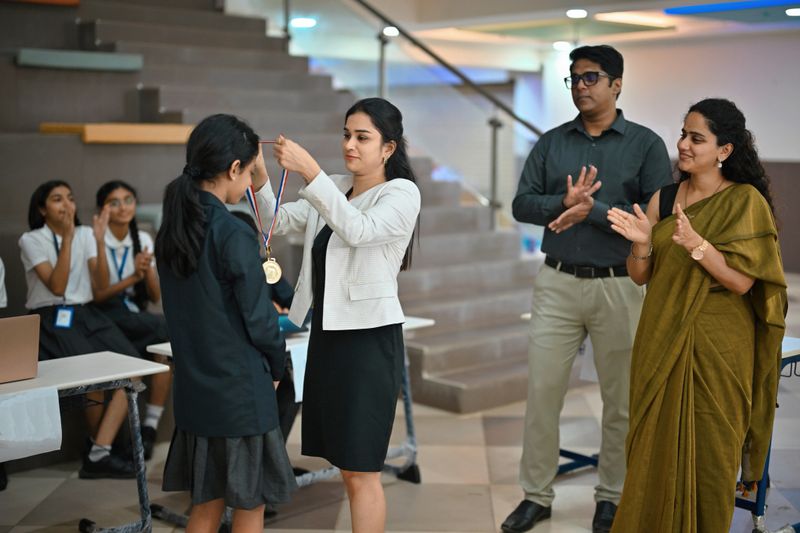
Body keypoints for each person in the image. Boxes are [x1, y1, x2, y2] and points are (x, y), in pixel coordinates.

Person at [502, 45, 672, 533]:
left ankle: (612, 497)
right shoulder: (552, 143)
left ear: (617, 84)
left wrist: (590, 211)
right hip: (556, 282)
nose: (581, 85)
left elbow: (654, 221)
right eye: (573, 78)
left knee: (620, 400)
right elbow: (520, 204)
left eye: (591, 77)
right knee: (543, 394)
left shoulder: (645, 145)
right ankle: (536, 495)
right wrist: (563, 201)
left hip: (620, 285)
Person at [606, 98, 786, 532]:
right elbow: (640, 276)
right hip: (661, 336)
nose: (683, 145)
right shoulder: (664, 198)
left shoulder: (745, 202)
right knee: (653, 444)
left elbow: (744, 283)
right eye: (683, 134)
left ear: (724, 150)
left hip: (719, 346)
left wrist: (697, 246)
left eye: (696, 138)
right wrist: (640, 243)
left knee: (710, 451)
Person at [254, 97, 420, 533]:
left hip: (368, 340)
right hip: (328, 334)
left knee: (363, 469)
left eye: (362, 137)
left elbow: (359, 230)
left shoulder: (400, 192)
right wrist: (258, 177)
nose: (350, 144)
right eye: (346, 134)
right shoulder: (337, 186)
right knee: (347, 466)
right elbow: (275, 221)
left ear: (388, 148)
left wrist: (310, 171)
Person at [156, 114, 296, 532]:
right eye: (251, 171)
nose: (251, 181)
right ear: (235, 169)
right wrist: (276, 366)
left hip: (195, 385)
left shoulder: (174, 228)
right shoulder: (232, 233)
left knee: (207, 502)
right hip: (239, 389)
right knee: (249, 504)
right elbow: (258, 317)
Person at [18, 180, 140, 479]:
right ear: (41, 208)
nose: (66, 205)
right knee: (95, 378)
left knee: (135, 372)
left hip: (86, 313)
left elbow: (100, 284)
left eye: (70, 198)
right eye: (57, 199)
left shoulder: (87, 233)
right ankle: (100, 454)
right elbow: (57, 285)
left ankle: (100, 448)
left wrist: (97, 240)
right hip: (50, 317)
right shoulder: (31, 240)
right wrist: (69, 237)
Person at [94, 180, 171, 460]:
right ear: (102, 209)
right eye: (114, 202)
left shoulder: (143, 239)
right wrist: (132, 277)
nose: (123, 207)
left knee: (162, 351)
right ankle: (115, 442)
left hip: (133, 314)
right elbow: (97, 295)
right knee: (167, 330)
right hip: (104, 314)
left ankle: (150, 427)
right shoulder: (94, 239)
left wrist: (147, 271)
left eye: (128, 200)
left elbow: (153, 296)